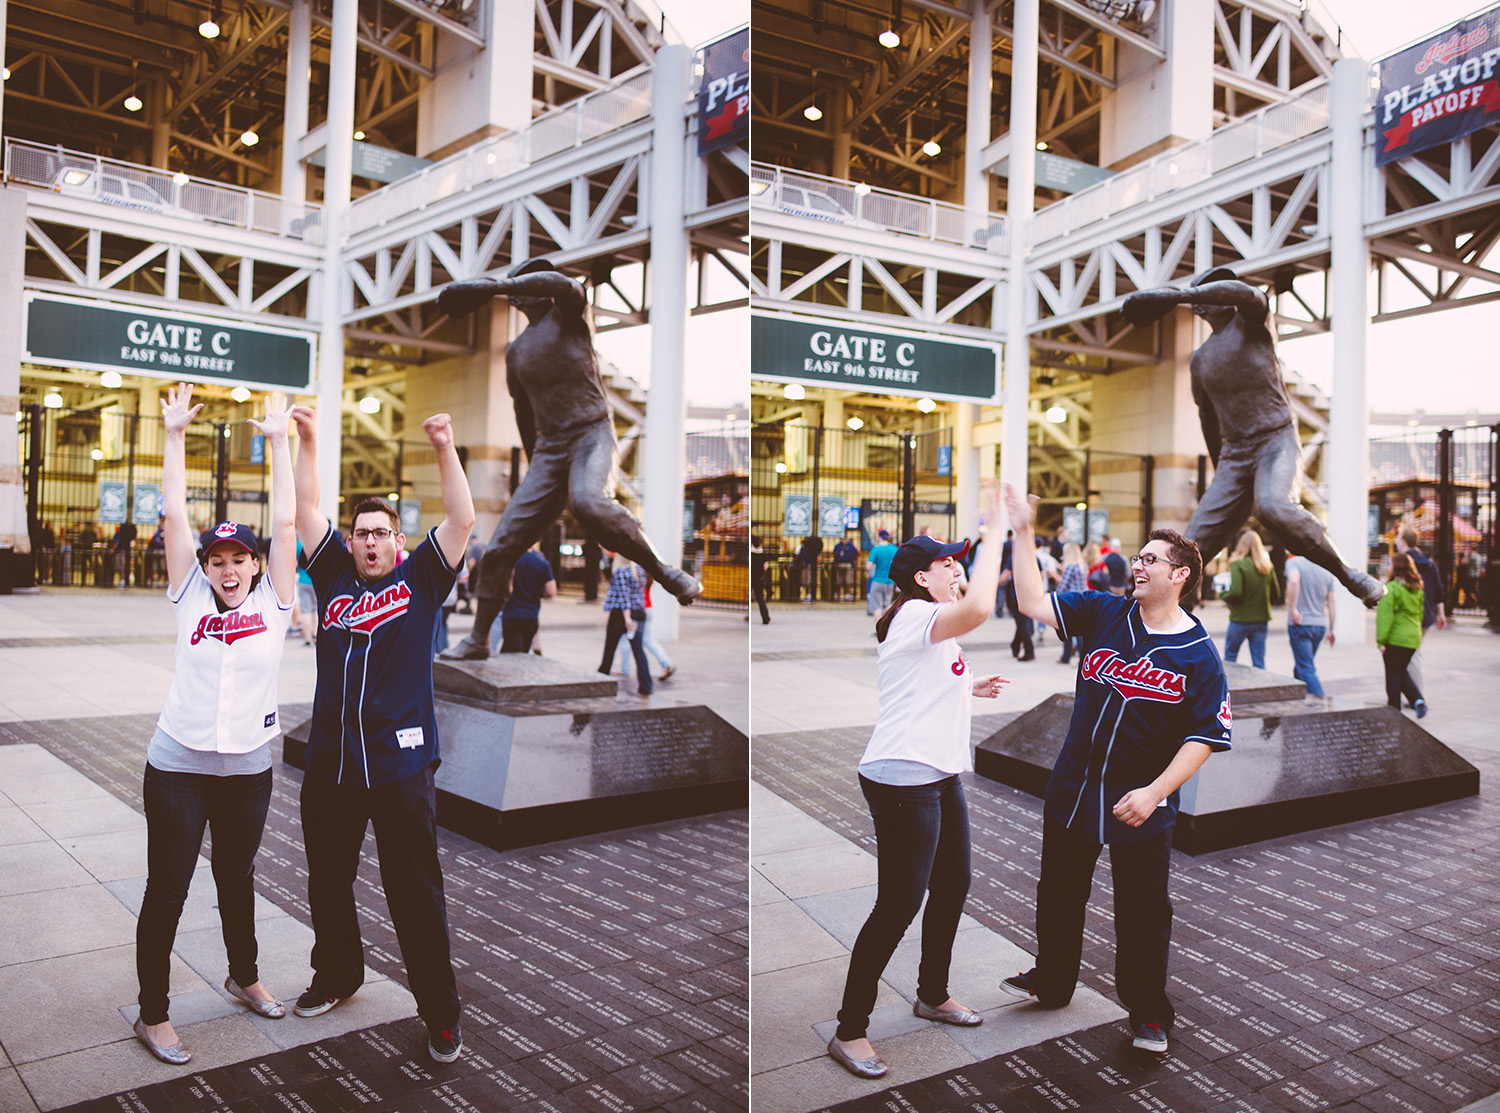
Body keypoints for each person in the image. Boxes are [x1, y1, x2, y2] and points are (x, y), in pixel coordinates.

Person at [999, 482, 1231, 1057]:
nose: (1138, 564)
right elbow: (1031, 602)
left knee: (1143, 913)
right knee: (1057, 894)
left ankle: (1149, 1012)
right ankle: (1052, 982)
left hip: (1140, 806)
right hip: (1074, 790)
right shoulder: (1106, 611)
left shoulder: (1199, 653)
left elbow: (1205, 737)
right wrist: (1024, 532)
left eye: (1151, 559)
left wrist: (1155, 792)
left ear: (1180, 575)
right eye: (1139, 556)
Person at [289, 404, 475, 1064]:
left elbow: (461, 519)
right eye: (361, 532)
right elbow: (305, 504)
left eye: (380, 533)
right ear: (350, 540)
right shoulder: (334, 575)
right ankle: (338, 973)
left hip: (401, 773)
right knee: (327, 882)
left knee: (415, 894)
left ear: (397, 539)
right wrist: (307, 440)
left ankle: (441, 1011)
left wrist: (444, 445)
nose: (369, 542)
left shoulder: (420, 579)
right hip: (332, 767)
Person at [133, 385, 296, 1066]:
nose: (228, 568)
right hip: (177, 766)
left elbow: (286, 523)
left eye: (239, 558)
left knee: (237, 876)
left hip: (247, 769)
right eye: (217, 559)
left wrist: (281, 442)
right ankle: (153, 1012)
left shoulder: (278, 600)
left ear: (255, 564)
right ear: (204, 566)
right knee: (168, 887)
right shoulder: (188, 592)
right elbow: (175, 514)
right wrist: (173, 435)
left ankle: (243, 973)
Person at [828, 493, 1008, 1080]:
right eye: (948, 563)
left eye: (960, 559)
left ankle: (932, 995)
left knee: (954, 883)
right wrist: (999, 530)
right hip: (902, 777)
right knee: (900, 902)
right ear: (920, 578)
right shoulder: (912, 615)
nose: (957, 568)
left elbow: (935, 675)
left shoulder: (930, 624)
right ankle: (850, 1029)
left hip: (938, 773)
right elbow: (980, 610)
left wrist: (970, 687)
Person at [436, 261, 699, 660]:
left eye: (526, 283)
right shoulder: (516, 352)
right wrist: (534, 469)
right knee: (500, 549)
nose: (519, 292)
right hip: (550, 451)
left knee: (588, 501)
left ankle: (664, 571)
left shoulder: (570, 315)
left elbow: (564, 285)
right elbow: (524, 414)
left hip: (591, 434)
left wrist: (494, 286)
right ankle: (478, 640)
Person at [1122, 270, 1384, 609]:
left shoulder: (1252, 324)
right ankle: (1164, 628)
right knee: (1190, 548)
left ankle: (1350, 575)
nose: (1221, 296)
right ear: (1201, 309)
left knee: (1274, 506)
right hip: (1235, 455)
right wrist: (1223, 473)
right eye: (1210, 293)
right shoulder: (1200, 361)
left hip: (1276, 440)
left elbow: (1245, 294)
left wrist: (1176, 295)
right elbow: (1208, 419)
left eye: (1218, 290)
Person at [1395, 526, 1446, 710]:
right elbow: (1439, 589)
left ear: (1404, 541)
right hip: (1427, 615)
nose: (1396, 542)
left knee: (1412, 654)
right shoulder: (1429, 562)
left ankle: (1417, 696)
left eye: (1398, 538)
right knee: (1412, 652)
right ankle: (1412, 693)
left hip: (1410, 615)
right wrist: (1441, 613)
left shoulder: (1403, 563)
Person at [1376, 552, 1427, 718]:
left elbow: (1385, 617)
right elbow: (1420, 613)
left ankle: (1394, 711)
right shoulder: (1417, 589)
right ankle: (1418, 700)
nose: (1387, 568)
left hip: (1396, 638)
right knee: (1401, 671)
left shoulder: (1390, 589)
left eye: (1389, 564)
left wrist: (1381, 641)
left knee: (1393, 675)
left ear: (1395, 569)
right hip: (1413, 638)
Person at [1219, 530, 1278, 670]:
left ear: (1241, 545)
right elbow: (1276, 594)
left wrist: (1223, 596)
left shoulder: (1238, 564)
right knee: (1259, 660)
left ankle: (1229, 688)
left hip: (1240, 619)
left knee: (1230, 657)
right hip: (1261, 620)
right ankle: (1260, 690)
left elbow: (1236, 591)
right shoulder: (1267, 567)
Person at [1284, 553, 1336, 698]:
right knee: (1303, 664)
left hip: (1300, 623)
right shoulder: (1326, 568)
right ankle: (1299, 698)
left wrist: (1293, 609)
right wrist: (1332, 629)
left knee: (1306, 667)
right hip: (1320, 625)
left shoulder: (1294, 562)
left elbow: (1294, 581)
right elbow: (1331, 603)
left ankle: (1320, 703)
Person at [599, 556, 651, 697]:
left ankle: (600, 682)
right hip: (639, 612)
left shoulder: (621, 571)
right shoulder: (639, 570)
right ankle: (646, 685)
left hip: (621, 615)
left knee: (610, 648)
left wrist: (627, 618)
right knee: (638, 650)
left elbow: (624, 597)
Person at [496, 544, 556, 653]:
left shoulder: (511, 561)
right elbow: (550, 591)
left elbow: (505, 588)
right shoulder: (541, 562)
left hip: (512, 614)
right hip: (531, 615)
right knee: (523, 651)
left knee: (512, 654)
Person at [618, 574, 675, 681]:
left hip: (637, 609)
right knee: (647, 639)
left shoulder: (636, 573)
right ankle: (666, 662)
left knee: (625, 638)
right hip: (648, 607)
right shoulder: (648, 574)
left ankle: (624, 669)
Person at [1054, 542, 1088, 665]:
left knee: (1067, 630)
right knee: (1080, 632)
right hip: (1084, 599)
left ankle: (1066, 656)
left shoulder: (1070, 566)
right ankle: (1082, 658)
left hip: (1071, 601)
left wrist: (1055, 597)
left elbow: (1064, 585)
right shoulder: (1082, 565)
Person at [866, 530, 897, 617]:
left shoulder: (876, 549)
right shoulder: (894, 549)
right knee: (888, 604)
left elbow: (868, 566)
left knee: (877, 607)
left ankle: (878, 629)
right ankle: (889, 627)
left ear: (879, 537)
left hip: (878, 580)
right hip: (890, 581)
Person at [796, 533, 823, 603]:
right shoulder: (805, 546)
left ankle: (809, 595)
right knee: (807, 581)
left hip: (808, 564)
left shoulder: (805, 546)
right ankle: (809, 595)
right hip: (808, 564)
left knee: (808, 581)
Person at [832, 536, 859, 601]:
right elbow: (834, 554)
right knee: (839, 581)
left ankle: (847, 594)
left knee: (848, 581)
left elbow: (855, 555)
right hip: (839, 563)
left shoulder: (851, 546)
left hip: (848, 563)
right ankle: (838, 595)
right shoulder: (838, 546)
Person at [751, 535, 770, 625]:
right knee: (760, 599)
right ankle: (765, 617)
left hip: (751, 577)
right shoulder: (763, 555)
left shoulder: (751, 554)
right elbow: (765, 567)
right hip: (759, 578)